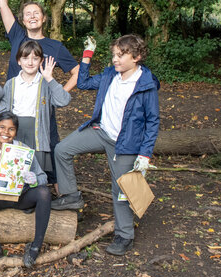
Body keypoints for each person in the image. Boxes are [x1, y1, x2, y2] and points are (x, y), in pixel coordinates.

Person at [51, 35, 160, 256]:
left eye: (121, 55)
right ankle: (71, 196)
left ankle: (125, 235)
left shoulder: (146, 84)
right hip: (101, 132)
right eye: (114, 55)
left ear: (137, 57)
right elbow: (82, 83)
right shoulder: (110, 74)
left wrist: (145, 154)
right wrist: (87, 55)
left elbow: (153, 122)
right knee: (62, 150)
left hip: (126, 144)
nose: (115, 60)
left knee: (121, 189)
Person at [0, 0, 79, 186]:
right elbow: (3, 5)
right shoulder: (17, 37)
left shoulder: (55, 46)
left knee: (45, 153)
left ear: (43, 18)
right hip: (14, 108)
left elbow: (77, 72)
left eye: (36, 13)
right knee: (12, 154)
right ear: (22, 19)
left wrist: (55, 92)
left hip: (41, 110)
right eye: (27, 14)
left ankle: (47, 192)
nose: (32, 16)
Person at [0, 112, 52, 266]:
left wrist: (33, 179)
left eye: (11, 129)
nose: (6, 132)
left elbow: (43, 178)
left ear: (16, 132)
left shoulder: (24, 150)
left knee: (44, 193)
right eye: (2, 127)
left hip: (21, 197)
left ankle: (35, 247)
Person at [0, 41, 71, 178]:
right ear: (19, 61)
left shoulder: (46, 83)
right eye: (25, 58)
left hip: (37, 134)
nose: (30, 63)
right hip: (16, 130)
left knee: (35, 173)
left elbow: (63, 100)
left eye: (35, 58)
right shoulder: (11, 84)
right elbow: (2, 111)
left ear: (41, 61)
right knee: (14, 170)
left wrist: (50, 78)